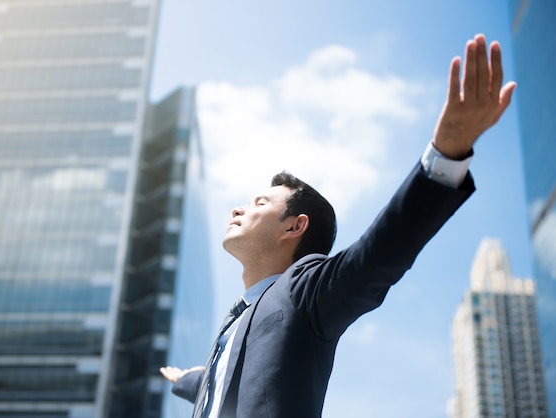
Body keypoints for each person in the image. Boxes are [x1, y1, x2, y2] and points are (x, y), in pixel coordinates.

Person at [160, 34, 516, 418]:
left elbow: (374, 257)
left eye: (260, 203)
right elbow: (230, 377)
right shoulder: (233, 326)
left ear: (294, 227)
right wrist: (189, 380)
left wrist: (446, 155)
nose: (237, 209)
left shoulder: (301, 292)